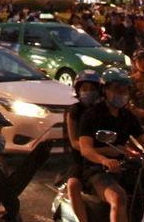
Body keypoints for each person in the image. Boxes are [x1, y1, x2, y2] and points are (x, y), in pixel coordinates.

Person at [78, 68, 144, 222]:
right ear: (105, 89)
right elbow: (85, 149)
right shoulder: (92, 115)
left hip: (127, 168)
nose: (122, 93)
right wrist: (104, 160)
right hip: (98, 170)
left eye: (125, 89)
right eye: (117, 88)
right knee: (118, 197)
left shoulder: (127, 115)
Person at [64, 70, 102, 222]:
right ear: (78, 91)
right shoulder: (74, 111)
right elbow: (74, 142)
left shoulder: (103, 110)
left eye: (92, 89)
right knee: (73, 185)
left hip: (105, 156)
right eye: (84, 89)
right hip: (80, 158)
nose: (88, 92)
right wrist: (96, 152)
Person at [128, 50, 144, 122]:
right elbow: (129, 105)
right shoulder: (131, 80)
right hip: (136, 118)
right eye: (139, 61)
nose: (143, 64)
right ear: (135, 63)